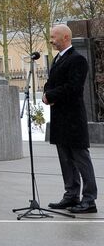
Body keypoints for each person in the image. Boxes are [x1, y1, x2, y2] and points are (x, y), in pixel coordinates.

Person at [42, 25, 98, 214]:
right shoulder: (57, 59)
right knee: (66, 159)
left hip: (73, 119)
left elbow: (74, 87)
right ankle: (71, 195)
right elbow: (51, 83)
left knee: (81, 159)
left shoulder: (77, 59)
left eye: (53, 36)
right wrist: (46, 93)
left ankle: (89, 199)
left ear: (65, 37)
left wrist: (50, 95)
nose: (51, 40)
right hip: (60, 118)